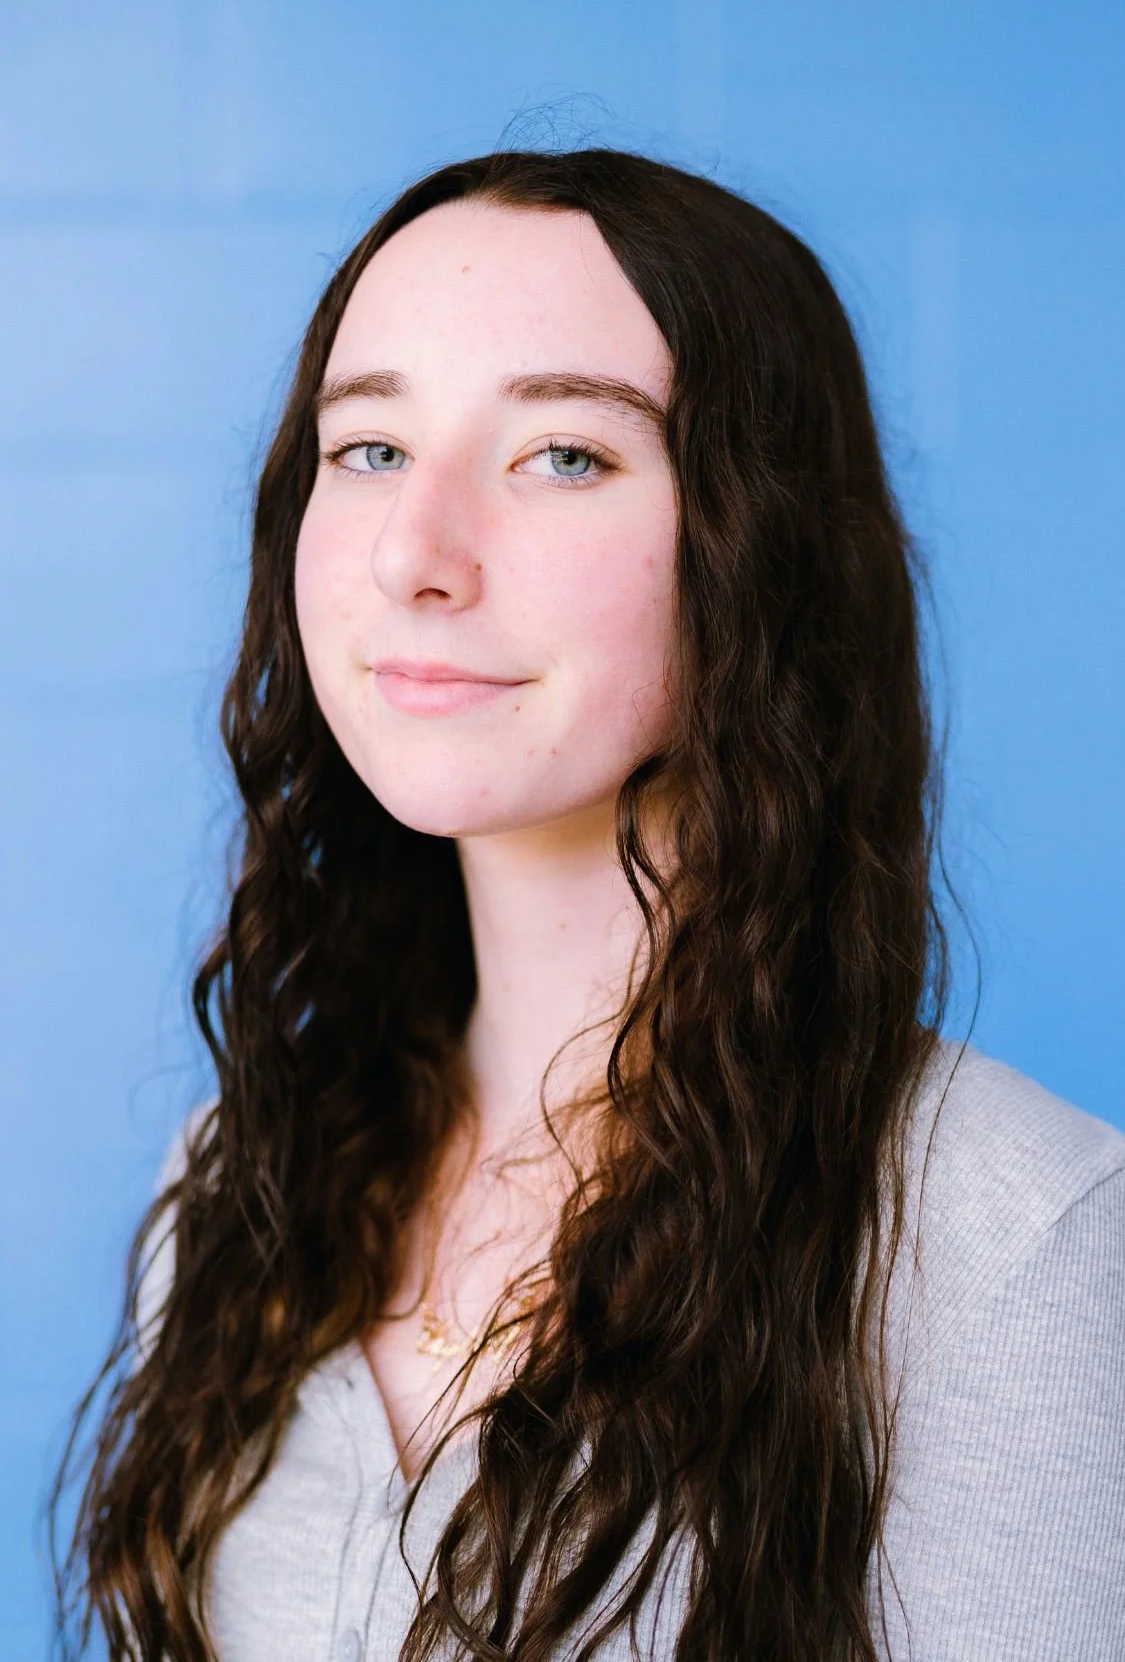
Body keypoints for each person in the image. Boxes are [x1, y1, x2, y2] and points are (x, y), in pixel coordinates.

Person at [52, 149, 1125, 1662]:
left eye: (563, 454)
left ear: (764, 550)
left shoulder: (1013, 1244)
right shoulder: (237, 1184)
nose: (416, 554)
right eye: (370, 447)